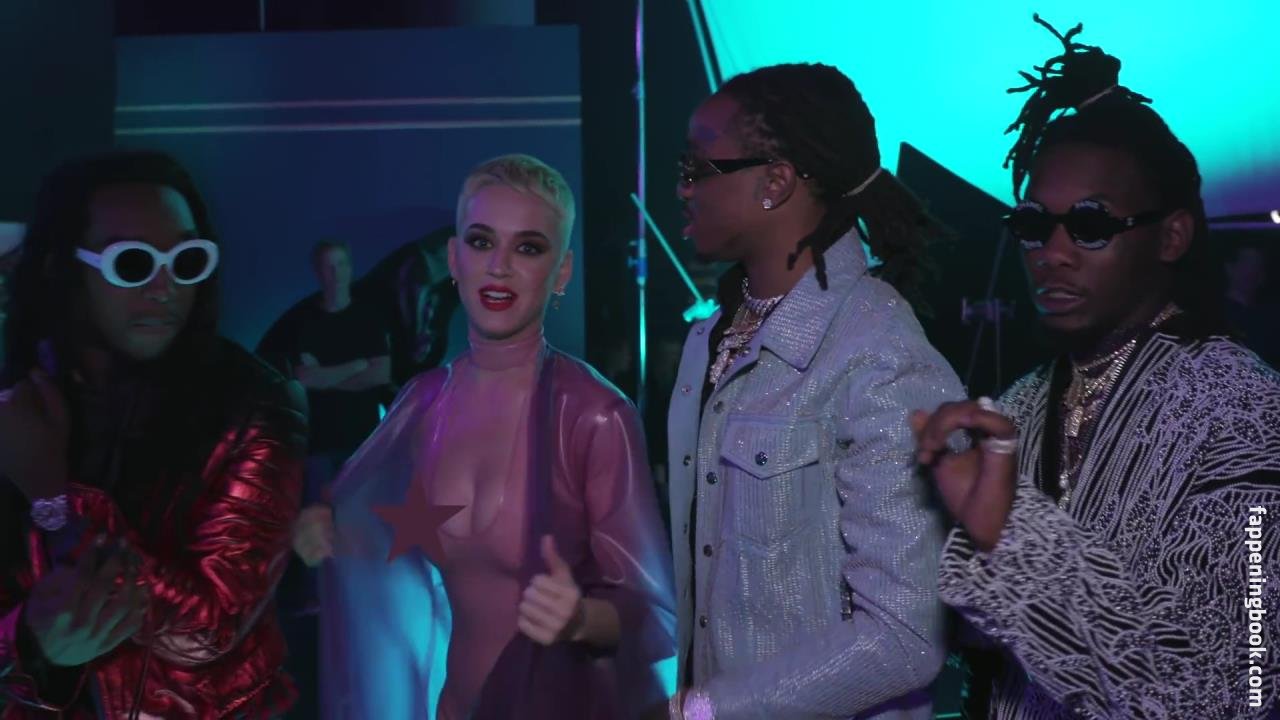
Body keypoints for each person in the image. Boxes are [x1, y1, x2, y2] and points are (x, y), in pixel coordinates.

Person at [912, 16, 1280, 718]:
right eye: (1031, 224)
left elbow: (1240, 690)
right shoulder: (1018, 406)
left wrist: (1009, 532)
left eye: (1090, 223)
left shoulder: (1244, 413)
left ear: (1171, 236)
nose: (1051, 252)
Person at [298, 154, 676, 719]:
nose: (499, 266)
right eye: (481, 242)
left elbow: (654, 614)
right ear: (454, 258)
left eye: (528, 248)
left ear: (562, 272)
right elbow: (356, 508)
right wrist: (321, 524)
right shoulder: (424, 402)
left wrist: (581, 618)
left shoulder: (595, 414)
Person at [665, 62, 962, 719]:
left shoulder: (878, 352)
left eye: (697, 168)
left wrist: (705, 712)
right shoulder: (707, 339)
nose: (683, 189)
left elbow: (905, 637)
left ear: (774, 182)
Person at [0, 150, 304, 718]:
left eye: (187, 260)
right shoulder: (15, 402)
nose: (165, 287)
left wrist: (51, 493)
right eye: (133, 262)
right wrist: (28, 643)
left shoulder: (252, 404)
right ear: (61, 268)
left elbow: (209, 629)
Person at [1223, 241, 1280, 367]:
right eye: (1247, 264)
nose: (1252, 271)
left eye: (1257, 265)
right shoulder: (1214, 315)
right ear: (1230, 268)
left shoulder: (1270, 318)